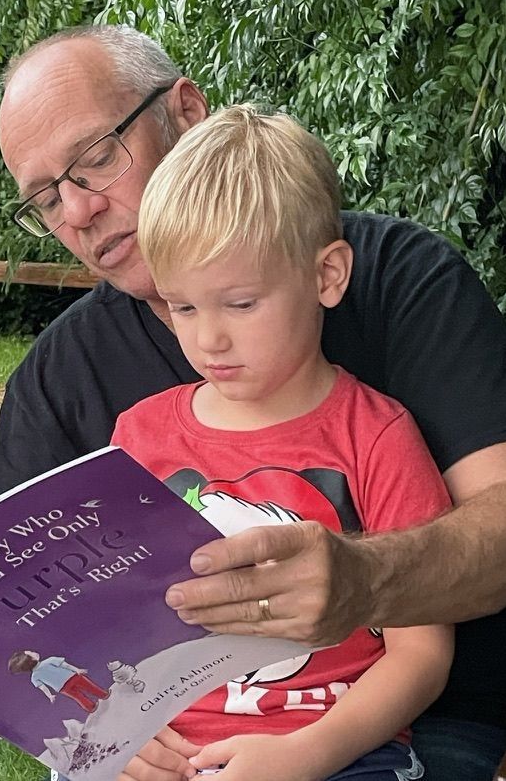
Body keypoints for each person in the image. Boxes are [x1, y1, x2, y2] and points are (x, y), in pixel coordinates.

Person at [0, 25, 506, 781]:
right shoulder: (68, 374)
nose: (78, 210)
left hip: (414, 735)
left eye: (94, 159)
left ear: (186, 111)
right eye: (47, 198)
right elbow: (19, 631)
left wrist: (365, 580)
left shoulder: (397, 279)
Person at [107, 103, 454, 780]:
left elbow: (423, 653)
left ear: (327, 275)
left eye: (240, 303)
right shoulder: (138, 436)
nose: (209, 338)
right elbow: (107, 623)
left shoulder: (375, 435)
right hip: (167, 753)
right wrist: (120, 730)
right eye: (182, 306)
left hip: (339, 750)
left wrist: (305, 753)